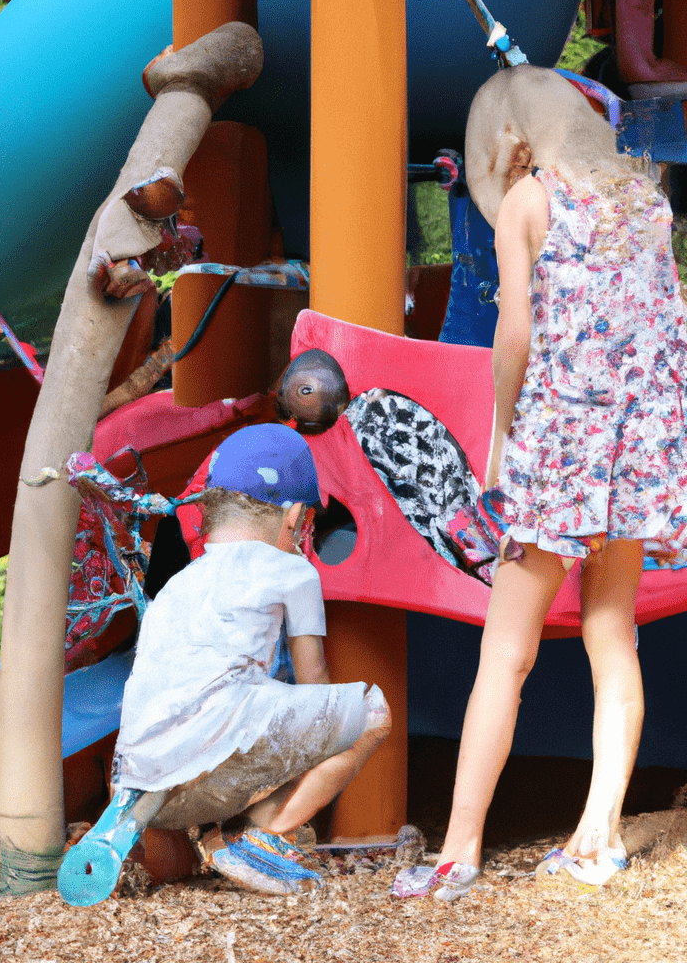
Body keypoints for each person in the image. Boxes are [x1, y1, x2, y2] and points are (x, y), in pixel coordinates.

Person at [393, 64, 687, 903]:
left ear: (515, 138)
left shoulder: (531, 200)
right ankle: (597, 841)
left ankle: (458, 851)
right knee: (613, 640)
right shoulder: (646, 200)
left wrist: (501, 430)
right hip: (634, 459)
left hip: (559, 453)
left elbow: (514, 334)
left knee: (505, 654)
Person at [112, 423, 391, 895]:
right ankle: (263, 834)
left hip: (141, 787)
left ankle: (220, 835)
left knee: (249, 702)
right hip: (209, 773)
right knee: (371, 714)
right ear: (294, 517)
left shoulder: (177, 586)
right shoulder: (294, 571)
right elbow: (314, 681)